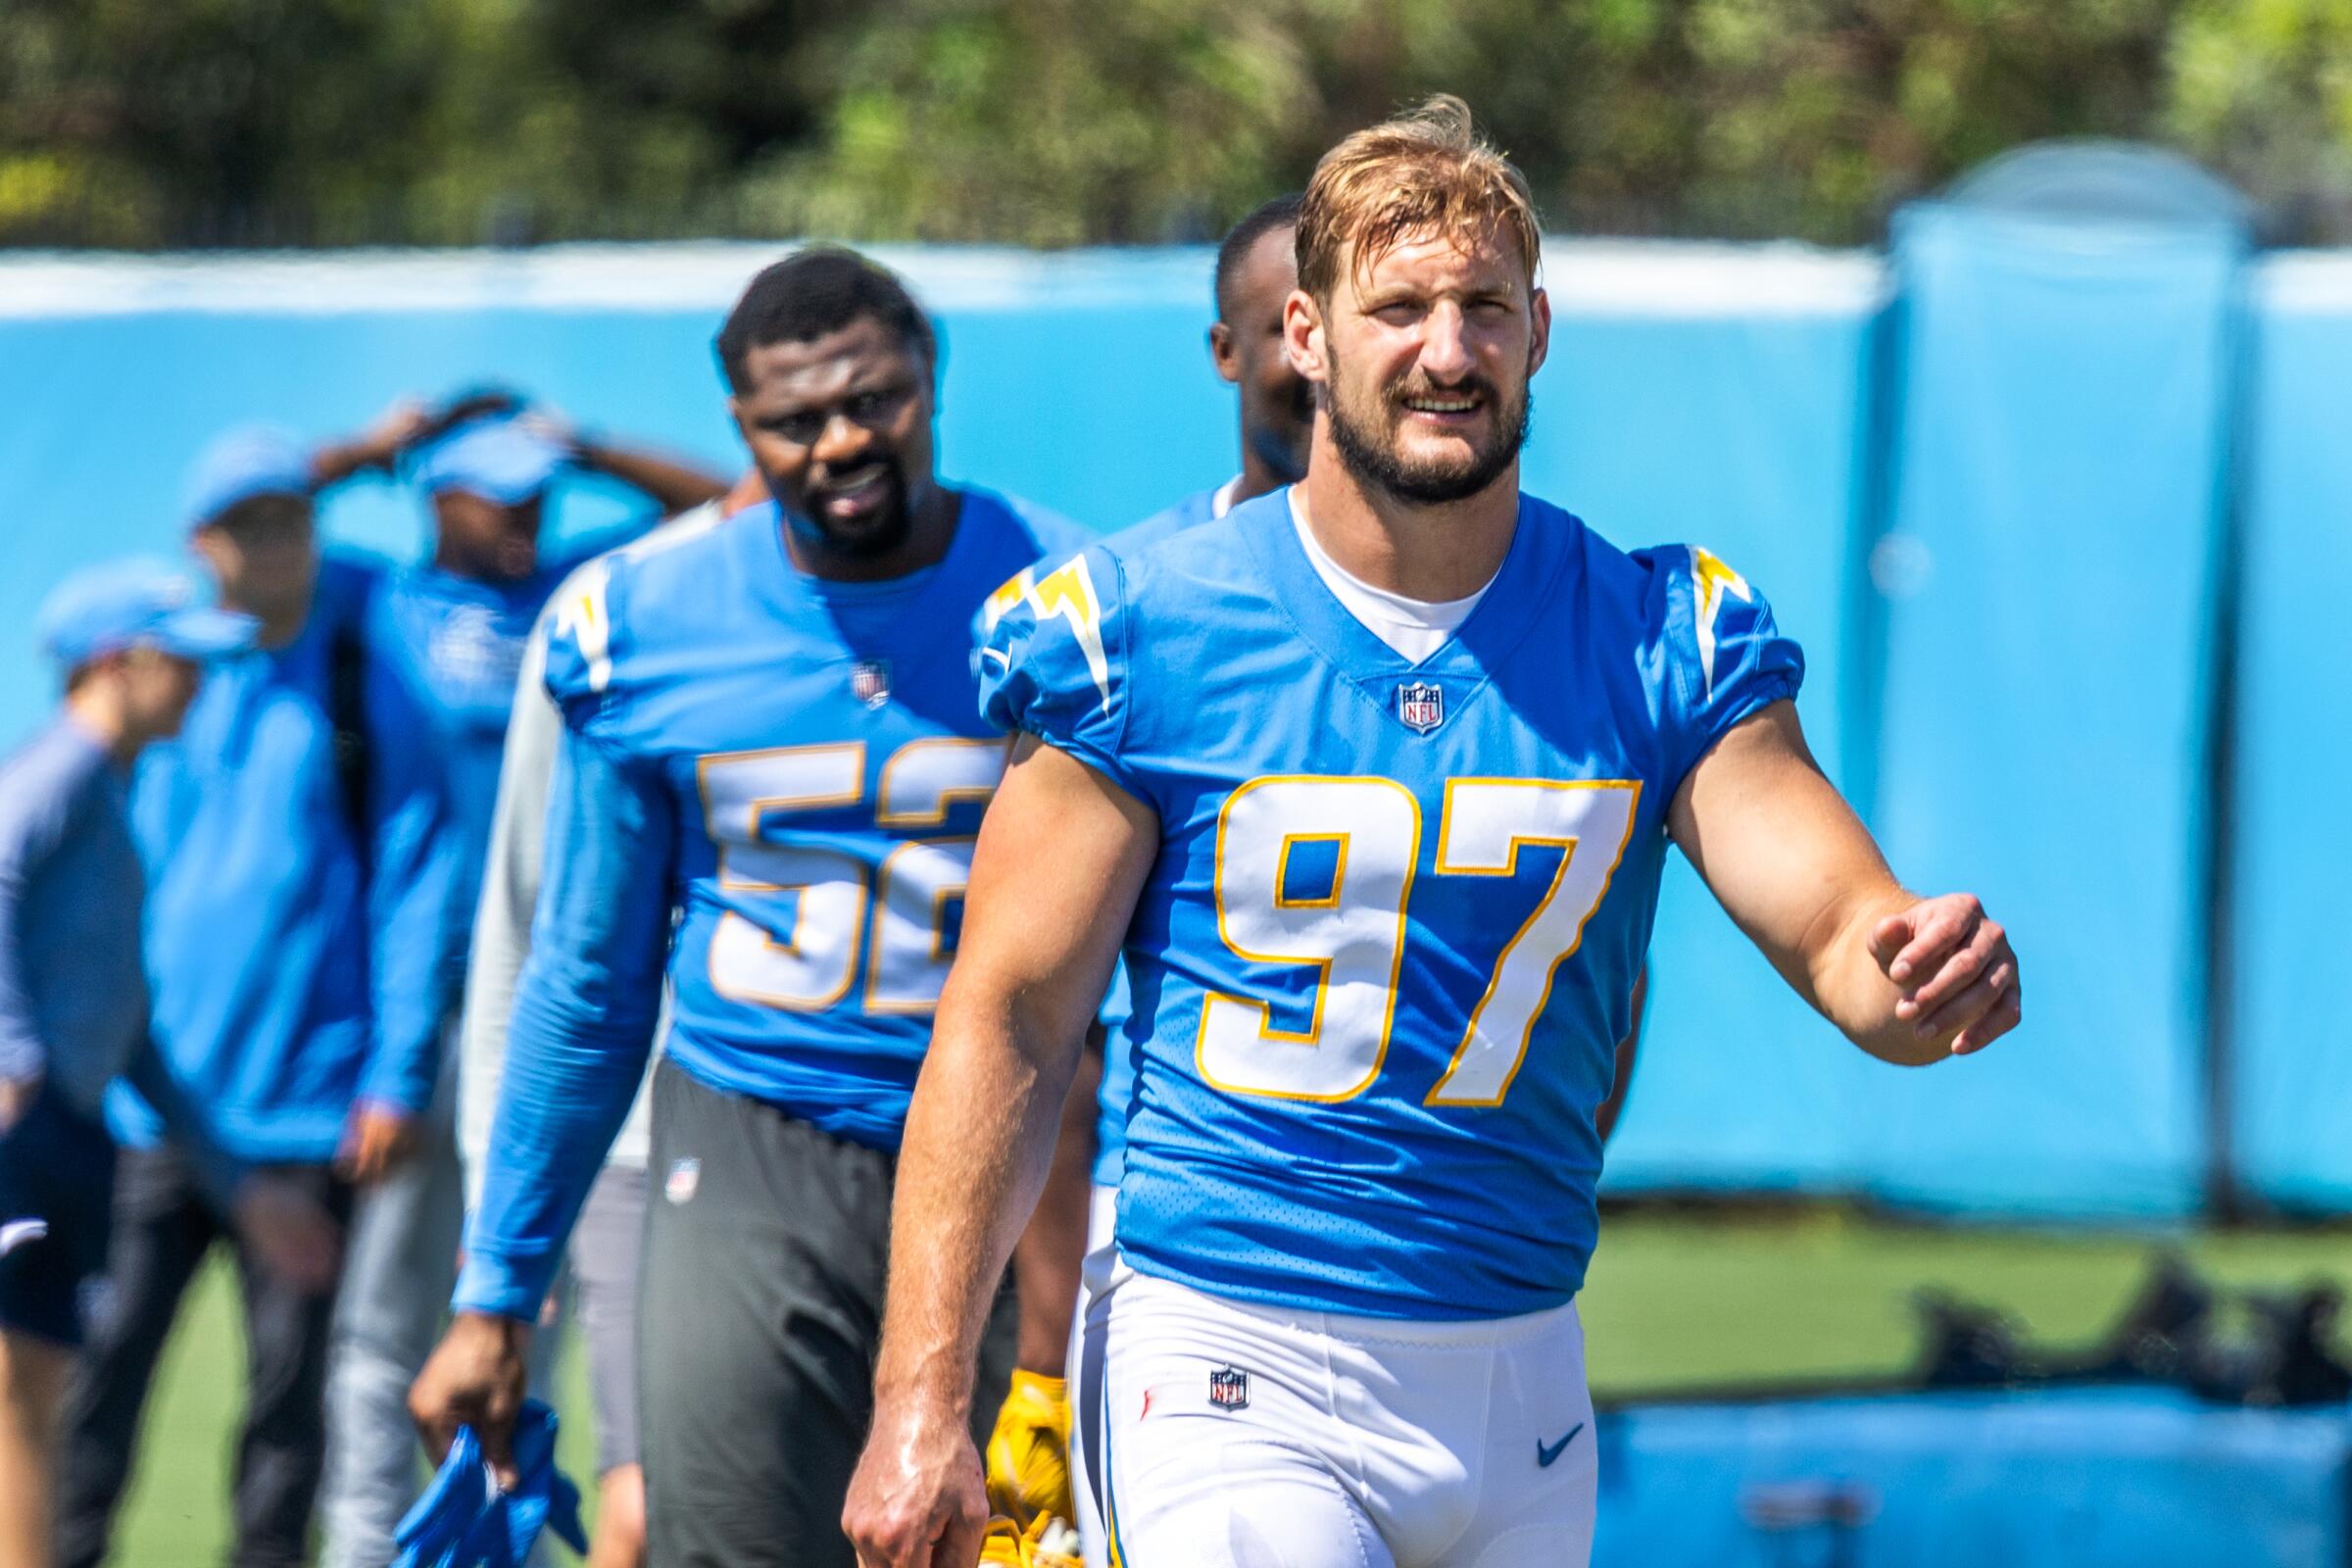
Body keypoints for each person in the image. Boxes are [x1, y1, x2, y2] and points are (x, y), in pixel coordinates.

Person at [844, 96, 2023, 1568]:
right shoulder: (1147, 632)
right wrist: (920, 1397)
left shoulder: (1658, 635)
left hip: (1521, 1366)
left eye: (1482, 310)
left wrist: (1921, 986)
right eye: (1399, 308)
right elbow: (1010, 1021)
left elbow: (1842, 927)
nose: (1447, 353)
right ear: (1306, 334)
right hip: (1227, 1345)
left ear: (1539, 329)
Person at [407, 246, 1091, 1568]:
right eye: (793, 420)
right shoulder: (646, 622)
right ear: (740, 428)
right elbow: (590, 982)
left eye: (874, 400)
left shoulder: (1074, 606)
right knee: (719, 1544)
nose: (840, 442)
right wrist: (499, 1287)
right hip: (752, 1130)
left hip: (1012, 1142)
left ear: (928, 376)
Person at [320, 410, 727, 1568]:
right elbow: (257, 522)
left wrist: (592, 444)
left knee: (533, 1296)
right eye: (494, 493)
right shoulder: (381, 604)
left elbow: (727, 503)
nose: (523, 513)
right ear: (435, 498)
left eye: (539, 492)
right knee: (396, 1315)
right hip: (431, 1008)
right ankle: (364, 1547)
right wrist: (392, 434)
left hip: (580, 999)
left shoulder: (581, 597)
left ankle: (505, 1539)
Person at [49, 415, 435, 1568]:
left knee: (285, 1429)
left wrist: (397, 1070)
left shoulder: (369, 666)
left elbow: (417, 879)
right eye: (248, 526)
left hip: (312, 1119)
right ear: (200, 543)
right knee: (93, 1402)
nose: (277, 548)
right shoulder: (156, 672)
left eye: (294, 522)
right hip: (152, 1117)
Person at [454, 465, 767, 1568]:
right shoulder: (617, 612)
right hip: (640, 1139)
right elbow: (527, 934)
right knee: (644, 1508)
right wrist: (500, 1235)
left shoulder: (948, 590)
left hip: (852, 1146)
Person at [0, 562, 339, 1568]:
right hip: (31, 1133)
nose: (200, 682)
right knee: (18, 1407)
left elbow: (133, 1032)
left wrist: (238, 1183)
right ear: (115, 662)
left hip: (72, 1130)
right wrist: (13, 1056)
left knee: (39, 1405)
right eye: (182, 659)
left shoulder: (111, 797)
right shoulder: (61, 767)